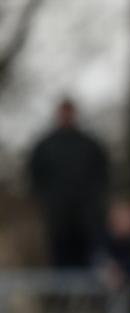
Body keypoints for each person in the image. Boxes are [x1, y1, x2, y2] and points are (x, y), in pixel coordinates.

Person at [27, 98, 109, 268]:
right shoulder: (45, 145)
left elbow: (103, 176)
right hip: (56, 216)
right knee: (58, 257)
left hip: (86, 217)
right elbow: (34, 176)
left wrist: (95, 202)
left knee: (87, 257)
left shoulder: (90, 145)